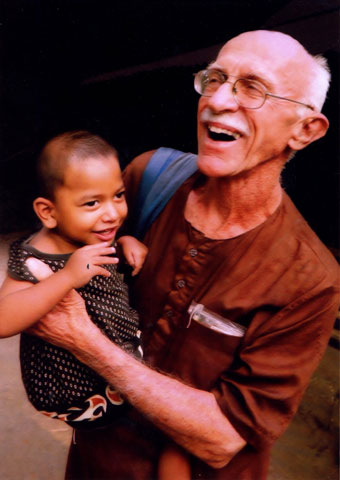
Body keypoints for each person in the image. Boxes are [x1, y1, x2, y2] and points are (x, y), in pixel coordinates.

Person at [25, 31, 339, 480]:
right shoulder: (147, 177)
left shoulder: (309, 279)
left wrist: (85, 342)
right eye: (214, 79)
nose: (219, 100)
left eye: (252, 87)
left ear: (305, 129)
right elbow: (52, 253)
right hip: (96, 462)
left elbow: (225, 437)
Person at [0, 131, 147, 428]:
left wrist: (126, 241)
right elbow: (3, 320)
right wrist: (66, 277)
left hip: (121, 368)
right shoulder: (35, 257)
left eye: (118, 196)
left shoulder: (91, 233)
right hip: (79, 393)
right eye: (92, 203)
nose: (112, 214)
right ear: (48, 212)